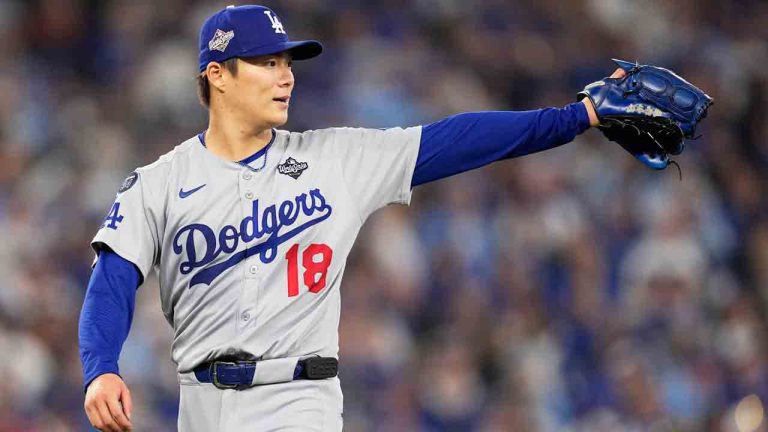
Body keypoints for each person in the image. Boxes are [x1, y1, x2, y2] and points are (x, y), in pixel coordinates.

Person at [79, 4, 621, 431]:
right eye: (268, 62)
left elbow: (454, 141)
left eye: (288, 63)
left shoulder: (333, 159)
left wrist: (576, 117)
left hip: (301, 397)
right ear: (217, 75)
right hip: (201, 404)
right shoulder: (159, 181)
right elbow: (112, 281)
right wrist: (100, 367)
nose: (286, 76)